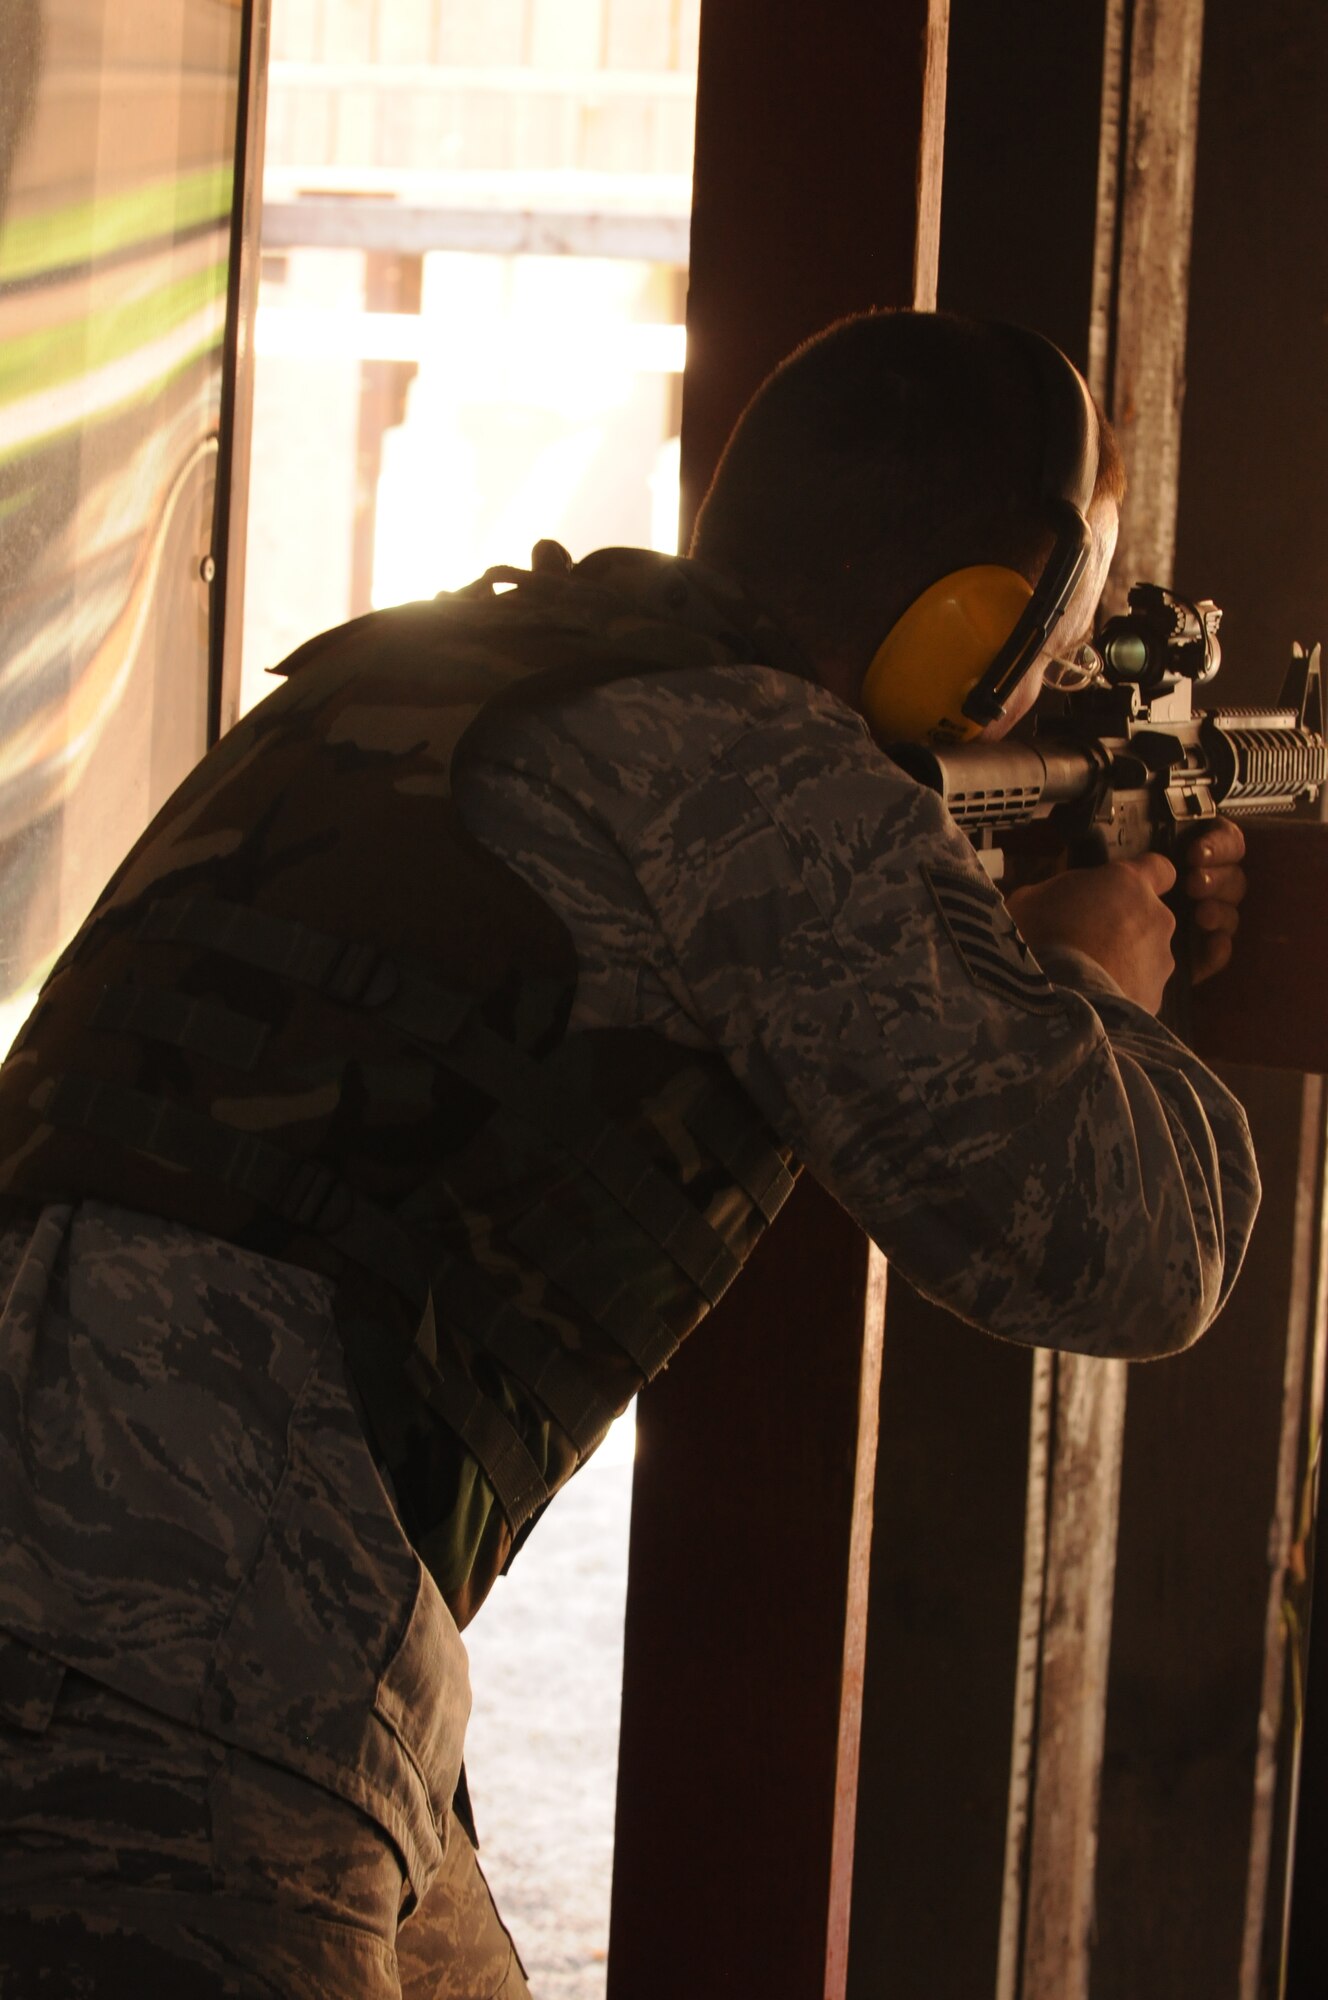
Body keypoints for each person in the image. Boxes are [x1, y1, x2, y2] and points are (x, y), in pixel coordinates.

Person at [0, 310, 1256, 1996]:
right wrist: (1095, 983)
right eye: (1053, 639)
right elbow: (1125, 1238)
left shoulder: (424, 664)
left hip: (177, 1601)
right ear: (968, 618)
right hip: (175, 1653)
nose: (1042, 686)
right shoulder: (757, 773)